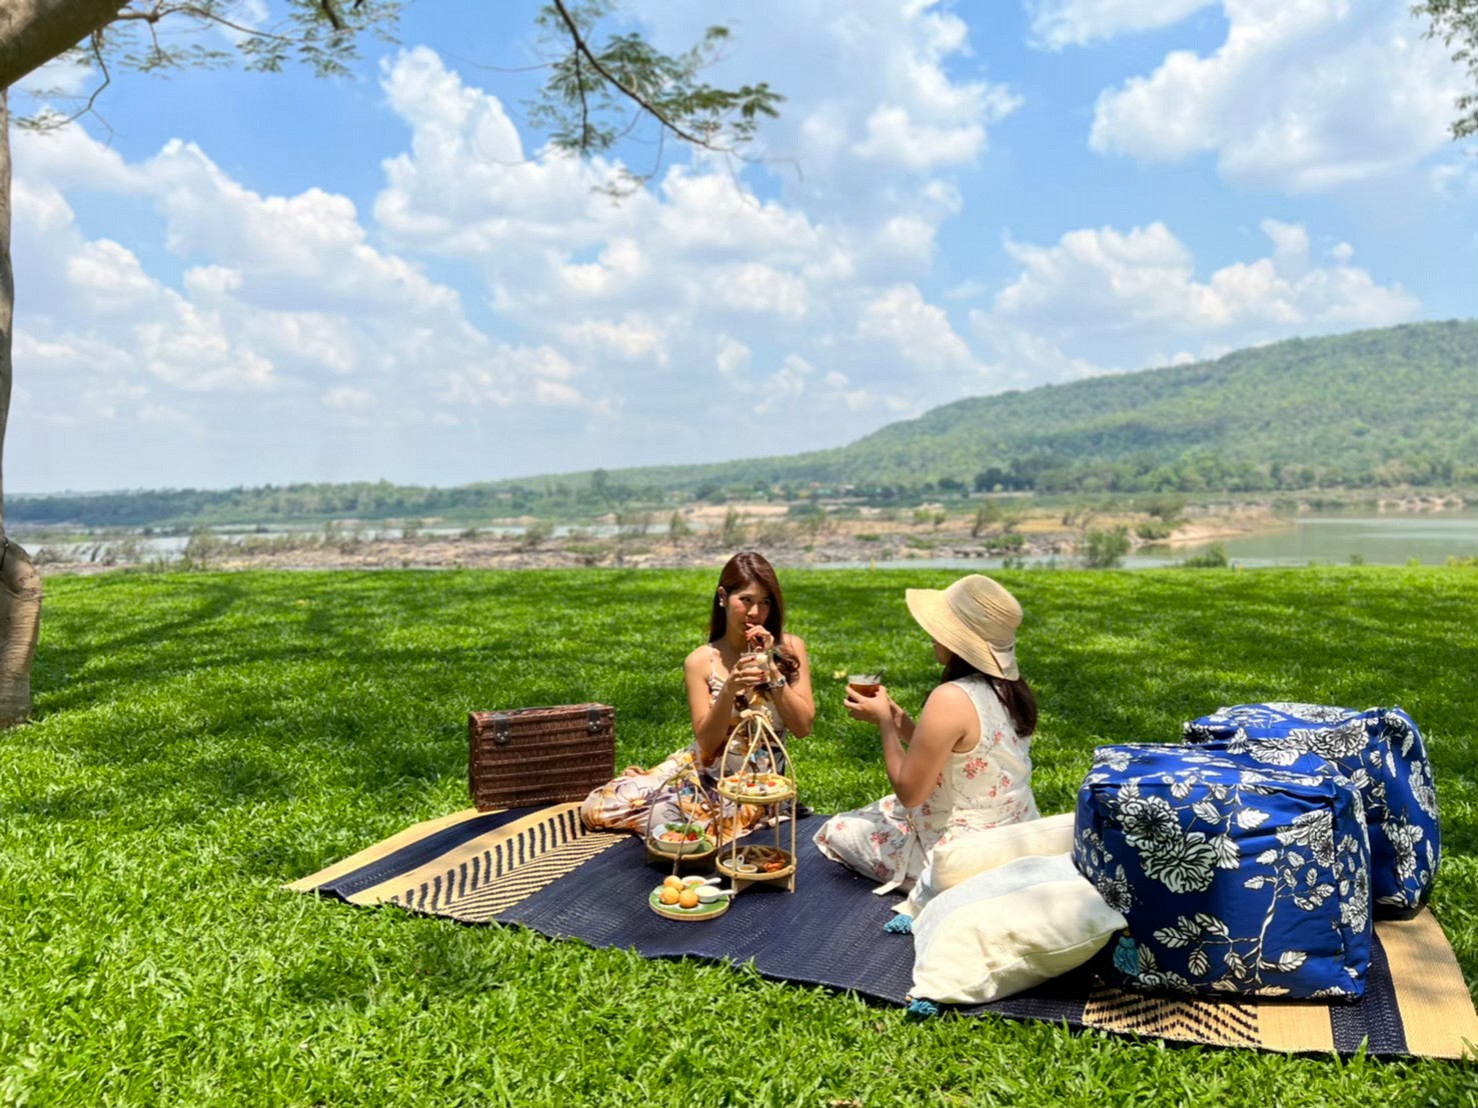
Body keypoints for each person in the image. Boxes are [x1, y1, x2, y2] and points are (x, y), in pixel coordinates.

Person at [813, 574, 1038, 892]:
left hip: (965, 857)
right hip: (1018, 836)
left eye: (941, 627)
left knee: (840, 828)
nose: (932, 634)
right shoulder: (1011, 688)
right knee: (885, 810)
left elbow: (910, 791)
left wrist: (886, 726)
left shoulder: (951, 697)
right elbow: (953, 750)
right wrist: (898, 716)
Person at [581, 551, 814, 838]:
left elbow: (803, 727)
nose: (755, 613)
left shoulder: (790, 648)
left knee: (668, 821)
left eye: (765, 602)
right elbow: (706, 743)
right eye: (746, 600)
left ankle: (676, 808)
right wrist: (729, 689)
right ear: (722, 597)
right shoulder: (701, 661)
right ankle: (656, 788)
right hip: (701, 770)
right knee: (597, 808)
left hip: (758, 781)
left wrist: (771, 668)